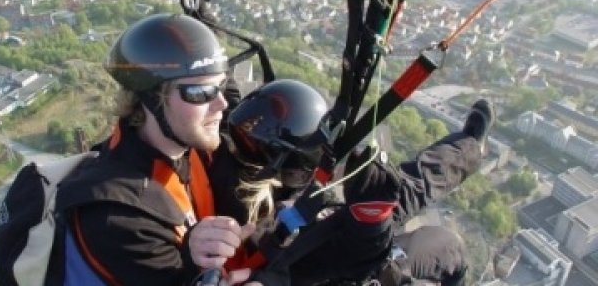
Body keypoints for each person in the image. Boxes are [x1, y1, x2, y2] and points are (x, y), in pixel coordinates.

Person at [203, 79, 495, 285]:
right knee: (442, 240)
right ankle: (470, 148)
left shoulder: (231, 148)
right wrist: (371, 216)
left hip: (324, 232)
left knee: (406, 187)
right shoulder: (256, 221)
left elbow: (236, 108)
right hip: (346, 260)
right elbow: (354, 257)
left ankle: (470, 148)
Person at [50, 13, 257, 286]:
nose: (220, 104)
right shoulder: (117, 218)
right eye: (201, 93)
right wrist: (190, 258)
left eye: (220, 86)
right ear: (153, 100)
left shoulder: (184, 141)